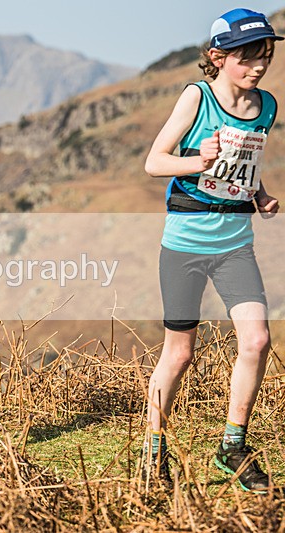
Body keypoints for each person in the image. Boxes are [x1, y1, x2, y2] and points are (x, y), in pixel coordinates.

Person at [144, 8, 281, 492]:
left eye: (264, 54)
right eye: (247, 56)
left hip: (235, 245)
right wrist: (194, 160)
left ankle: (232, 448)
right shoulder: (196, 97)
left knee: (257, 341)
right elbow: (154, 162)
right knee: (179, 354)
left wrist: (258, 193)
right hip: (184, 244)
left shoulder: (267, 106)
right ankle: (153, 450)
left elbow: (247, 162)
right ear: (218, 56)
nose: (258, 66)